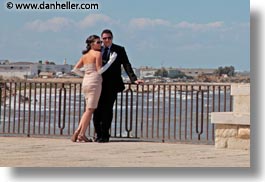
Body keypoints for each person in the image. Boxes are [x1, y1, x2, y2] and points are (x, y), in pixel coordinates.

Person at [93, 29, 144, 143]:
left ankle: (105, 135)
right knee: (97, 111)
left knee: (107, 111)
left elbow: (126, 64)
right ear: (101, 39)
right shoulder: (97, 50)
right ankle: (98, 134)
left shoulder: (119, 49)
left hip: (112, 85)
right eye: (104, 38)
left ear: (112, 38)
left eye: (109, 38)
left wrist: (134, 79)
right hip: (98, 84)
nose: (107, 40)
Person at [71, 35, 103, 142]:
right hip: (94, 81)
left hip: (86, 81)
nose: (100, 44)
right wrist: (111, 62)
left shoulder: (85, 55)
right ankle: (80, 133)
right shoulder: (97, 54)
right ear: (92, 44)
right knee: (90, 109)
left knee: (88, 109)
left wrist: (85, 74)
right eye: (98, 42)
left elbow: (75, 69)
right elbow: (99, 70)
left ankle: (80, 131)